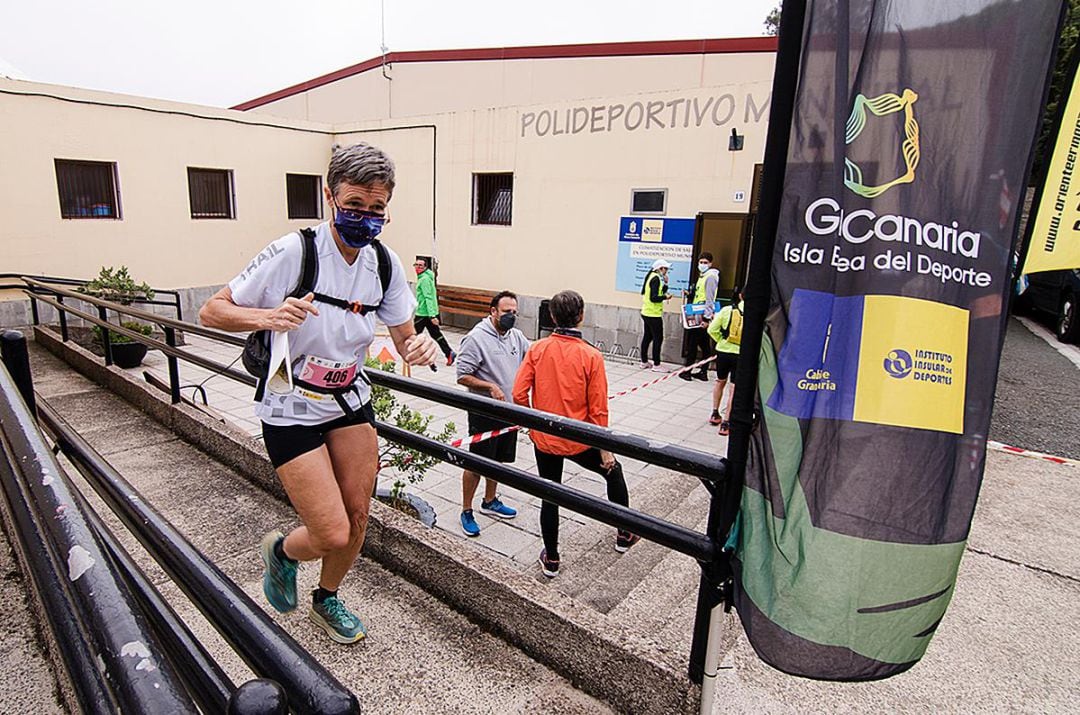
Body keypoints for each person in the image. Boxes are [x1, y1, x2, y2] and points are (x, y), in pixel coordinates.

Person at [199, 143, 438, 644]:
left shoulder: (386, 264)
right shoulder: (295, 251)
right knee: (329, 532)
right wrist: (267, 316)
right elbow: (212, 311)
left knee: (357, 517)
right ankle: (283, 553)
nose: (365, 218)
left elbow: (402, 334)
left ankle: (326, 598)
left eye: (376, 209)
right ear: (330, 197)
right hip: (291, 401)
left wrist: (416, 347)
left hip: (349, 397)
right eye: (353, 206)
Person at [513, 290, 638, 578]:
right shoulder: (591, 356)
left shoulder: (537, 349)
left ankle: (552, 558)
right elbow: (598, 408)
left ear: (553, 316)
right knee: (613, 472)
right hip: (581, 440)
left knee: (550, 495)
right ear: (581, 316)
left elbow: (519, 393)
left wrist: (533, 424)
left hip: (545, 438)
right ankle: (624, 533)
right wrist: (605, 449)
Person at [455, 290, 530, 536]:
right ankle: (466, 509)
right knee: (477, 463)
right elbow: (462, 375)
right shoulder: (476, 338)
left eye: (514, 312)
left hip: (508, 412)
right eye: (506, 312)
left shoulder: (516, 337)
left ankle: (490, 501)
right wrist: (490, 387)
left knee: (497, 462)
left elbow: (531, 360)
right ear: (493, 311)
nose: (511, 316)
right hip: (484, 412)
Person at [706, 287, 744, 435]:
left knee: (720, 381)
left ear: (740, 296)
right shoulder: (755, 315)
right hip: (740, 354)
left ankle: (715, 413)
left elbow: (712, 329)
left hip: (723, 351)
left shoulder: (727, 310)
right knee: (733, 389)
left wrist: (721, 341)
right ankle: (726, 423)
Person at [679, 252, 721, 381]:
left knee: (692, 344)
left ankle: (688, 370)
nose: (702, 265)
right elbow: (700, 295)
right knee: (704, 345)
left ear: (710, 263)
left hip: (702, 315)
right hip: (697, 312)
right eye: (701, 262)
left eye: (705, 262)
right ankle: (703, 372)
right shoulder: (703, 276)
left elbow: (709, 299)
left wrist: (707, 319)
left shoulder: (710, 277)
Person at [413, 256, 456, 365]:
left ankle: (413, 355)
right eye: (416, 265)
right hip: (427, 312)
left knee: (413, 334)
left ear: (425, 267)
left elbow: (428, 297)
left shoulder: (424, 280)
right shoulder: (426, 277)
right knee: (436, 334)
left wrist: (432, 316)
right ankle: (449, 352)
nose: (417, 267)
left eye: (420, 265)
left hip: (423, 313)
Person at [639, 259, 673, 372]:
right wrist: (665, 297)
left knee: (648, 337)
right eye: (665, 269)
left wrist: (666, 284)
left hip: (646, 312)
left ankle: (644, 361)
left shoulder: (651, 276)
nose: (666, 271)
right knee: (658, 338)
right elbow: (654, 297)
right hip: (653, 314)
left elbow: (657, 292)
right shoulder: (656, 278)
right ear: (660, 268)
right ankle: (656, 364)